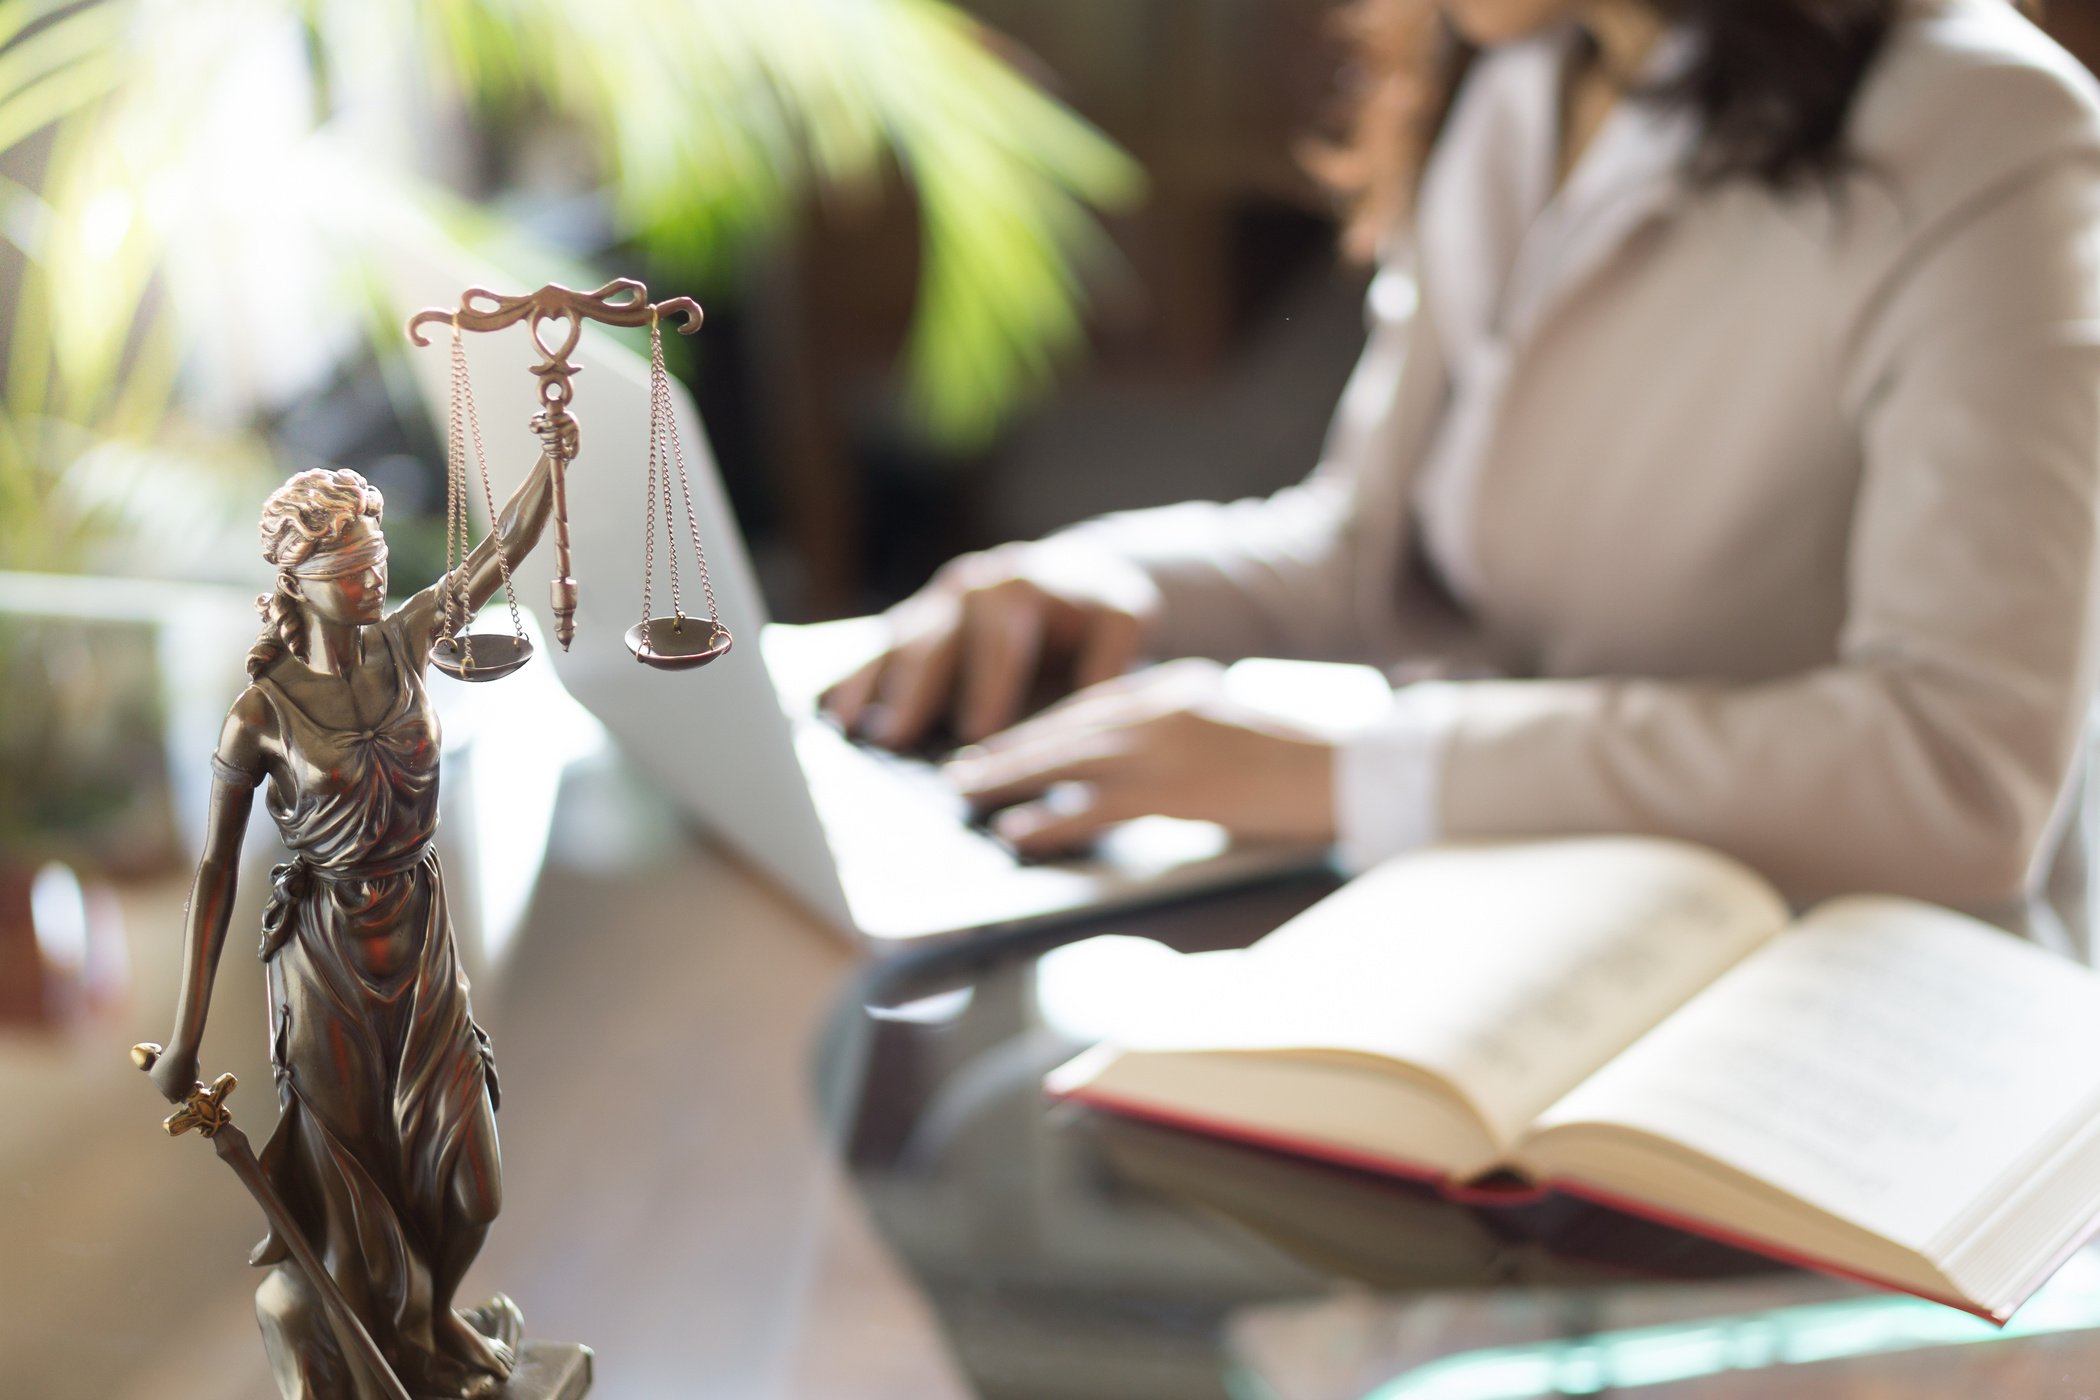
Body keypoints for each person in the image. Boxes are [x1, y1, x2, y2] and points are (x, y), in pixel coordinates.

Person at [825, 0, 2100, 927]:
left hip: (1835, 983)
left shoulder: (1987, 126)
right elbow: (1382, 548)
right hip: (1506, 928)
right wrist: (1110, 579)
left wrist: (1348, 772)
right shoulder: (1520, 72)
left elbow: (1965, 769)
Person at [147, 414, 571, 1398]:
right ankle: (408, 1349)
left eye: (377, 558)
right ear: (297, 577)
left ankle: (434, 1322)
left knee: (472, 1182)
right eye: (350, 564)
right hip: (327, 961)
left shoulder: (409, 638)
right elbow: (214, 870)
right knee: (360, 1223)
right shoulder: (261, 712)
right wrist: (184, 1035)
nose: (373, 578)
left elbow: (501, 548)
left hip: (421, 939)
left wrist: (550, 446)